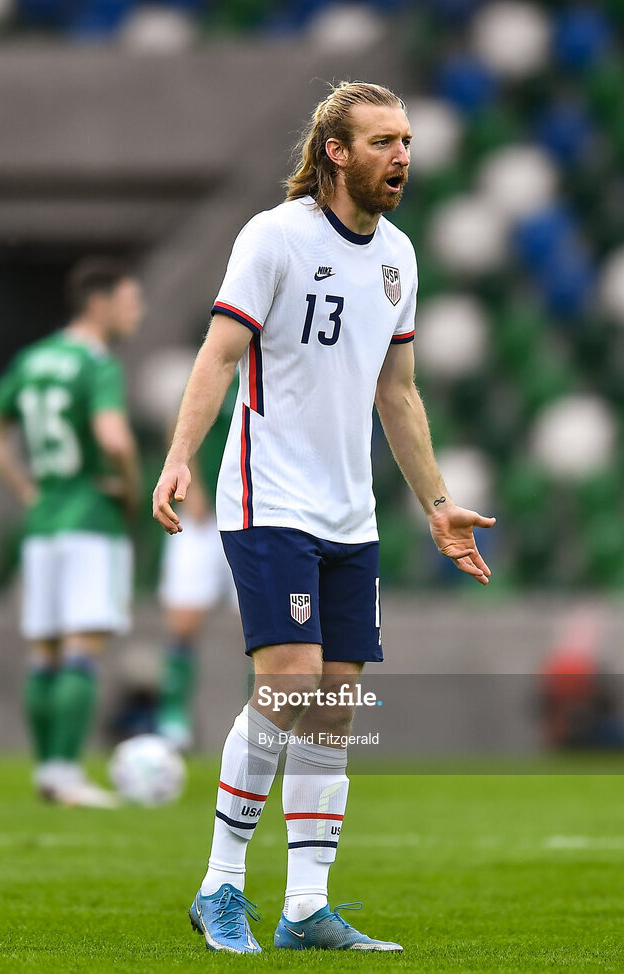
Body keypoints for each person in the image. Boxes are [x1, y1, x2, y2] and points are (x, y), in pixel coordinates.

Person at [152, 81, 495, 953]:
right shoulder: (275, 237)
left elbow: (400, 393)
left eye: (408, 141)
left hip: (350, 511)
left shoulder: (401, 258)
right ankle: (219, 886)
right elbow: (220, 354)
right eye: (383, 141)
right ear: (336, 151)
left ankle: (305, 906)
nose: (403, 157)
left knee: (338, 704)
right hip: (270, 496)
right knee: (292, 682)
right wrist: (180, 454)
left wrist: (438, 503)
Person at [0, 257, 143, 808]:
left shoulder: (35, 357)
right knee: (81, 650)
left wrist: (25, 488)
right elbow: (114, 439)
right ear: (98, 303)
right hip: (90, 517)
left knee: (44, 653)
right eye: (128, 299)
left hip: (43, 520)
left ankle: (48, 770)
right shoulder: (98, 364)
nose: (136, 310)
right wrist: (130, 487)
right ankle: (68, 776)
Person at [155, 378, 238, 750]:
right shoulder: (222, 367)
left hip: (258, 515)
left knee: (268, 629)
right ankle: (174, 719)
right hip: (204, 517)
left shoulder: (281, 367)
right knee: (184, 621)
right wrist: (195, 486)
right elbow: (179, 422)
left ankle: (267, 724)